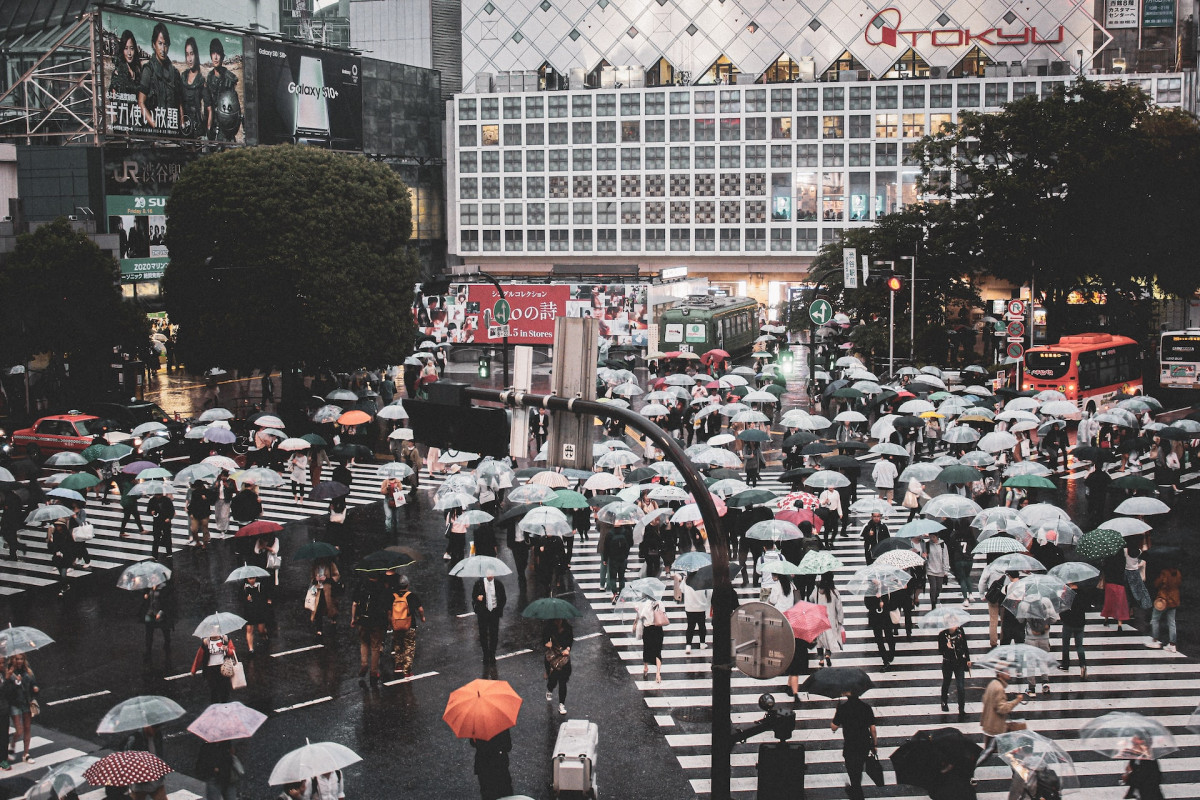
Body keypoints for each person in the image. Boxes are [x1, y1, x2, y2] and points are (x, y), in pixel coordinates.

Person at [137, 22, 184, 132]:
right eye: (160, 43)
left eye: (165, 44)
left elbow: (179, 102)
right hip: (154, 133)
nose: (163, 49)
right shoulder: (148, 70)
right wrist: (155, 125)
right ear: (154, 45)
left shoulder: (174, 73)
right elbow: (141, 103)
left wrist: (182, 123)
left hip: (172, 131)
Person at [831, 691, 877, 800]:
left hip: (850, 743)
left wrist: (837, 712)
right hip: (864, 743)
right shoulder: (866, 707)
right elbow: (873, 729)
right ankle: (855, 788)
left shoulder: (843, 708)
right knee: (859, 767)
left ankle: (856, 791)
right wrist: (874, 744)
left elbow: (833, 727)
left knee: (852, 769)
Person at [979, 666, 1025, 762]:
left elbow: (985, 700)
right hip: (996, 728)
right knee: (1008, 750)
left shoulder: (993, 684)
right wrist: (1017, 700)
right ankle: (1018, 772)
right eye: (1006, 672)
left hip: (989, 725)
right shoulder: (999, 688)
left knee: (989, 751)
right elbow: (1002, 709)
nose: (1009, 673)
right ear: (1000, 674)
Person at [351, 574, 389, 686]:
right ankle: (373, 672)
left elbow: (354, 603)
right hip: (377, 621)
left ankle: (364, 664)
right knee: (375, 646)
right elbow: (387, 608)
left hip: (363, 620)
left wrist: (353, 618)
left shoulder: (362, 585)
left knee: (364, 642)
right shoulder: (382, 587)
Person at [3, 655, 38, 764]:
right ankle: (12, 744)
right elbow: (5, 689)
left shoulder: (27, 671)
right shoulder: (9, 671)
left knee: (27, 728)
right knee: (19, 730)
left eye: (21, 659)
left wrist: (35, 688)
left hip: (26, 703)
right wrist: (14, 681)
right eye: (17, 659)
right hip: (15, 704)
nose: (19, 661)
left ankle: (26, 754)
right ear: (12, 659)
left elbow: (33, 683)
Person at [390, 574, 425, 678]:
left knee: (398, 644)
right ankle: (407, 670)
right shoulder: (411, 596)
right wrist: (422, 618)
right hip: (410, 624)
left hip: (396, 624)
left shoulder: (393, 596)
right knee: (409, 646)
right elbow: (420, 609)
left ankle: (398, 665)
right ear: (407, 585)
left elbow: (389, 611)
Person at [204, 38, 239, 141]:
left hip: (225, 128)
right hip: (212, 125)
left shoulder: (230, 79)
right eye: (213, 53)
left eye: (218, 53)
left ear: (222, 56)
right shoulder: (209, 78)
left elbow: (234, 107)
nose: (215, 57)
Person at [472, 570, 506, 665]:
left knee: (494, 634)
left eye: (492, 574)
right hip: (483, 612)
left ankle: (492, 654)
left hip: (494, 612)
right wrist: (478, 598)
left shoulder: (498, 584)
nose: (490, 576)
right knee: (483, 634)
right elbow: (473, 596)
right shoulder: (479, 584)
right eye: (488, 574)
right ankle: (485, 654)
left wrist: (499, 609)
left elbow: (503, 598)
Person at [190, 634, 234, 704]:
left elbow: (232, 652)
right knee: (214, 691)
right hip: (211, 670)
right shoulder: (206, 642)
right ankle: (215, 708)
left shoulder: (225, 639)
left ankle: (224, 707)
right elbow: (199, 657)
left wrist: (227, 649)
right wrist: (193, 670)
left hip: (223, 668)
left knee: (225, 691)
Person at [938, 623, 970, 719]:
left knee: (960, 686)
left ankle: (961, 709)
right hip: (948, 663)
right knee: (946, 682)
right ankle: (944, 701)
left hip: (959, 662)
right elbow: (940, 650)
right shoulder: (942, 635)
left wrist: (968, 659)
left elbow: (965, 645)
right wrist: (946, 647)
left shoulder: (960, 631)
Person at [141, 579, 176, 665]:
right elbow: (148, 600)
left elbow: (167, 603)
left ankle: (167, 648)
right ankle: (148, 649)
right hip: (151, 613)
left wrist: (161, 612)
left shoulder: (164, 588)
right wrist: (146, 595)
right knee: (148, 632)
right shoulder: (149, 587)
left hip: (161, 614)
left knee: (165, 631)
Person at [471, 728, 513, 800]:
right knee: (505, 792)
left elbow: (473, 743)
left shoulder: (476, 726)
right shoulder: (501, 724)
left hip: (483, 764)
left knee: (487, 792)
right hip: (499, 763)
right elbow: (508, 746)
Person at [812, 572, 844, 667]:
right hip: (831, 620)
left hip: (819, 620)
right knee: (829, 639)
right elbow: (839, 608)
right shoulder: (834, 592)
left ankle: (821, 659)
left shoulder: (817, 590)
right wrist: (840, 620)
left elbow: (811, 598)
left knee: (819, 641)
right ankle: (827, 655)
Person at [634, 592, 667, 683]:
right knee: (658, 651)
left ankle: (645, 667)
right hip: (658, 629)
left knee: (647, 649)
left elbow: (640, 615)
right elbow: (663, 613)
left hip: (648, 630)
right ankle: (658, 673)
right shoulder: (659, 603)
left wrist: (635, 622)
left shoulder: (644, 604)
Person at [543, 618, 573, 715]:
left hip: (564, 659)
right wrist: (547, 644)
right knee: (553, 680)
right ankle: (550, 688)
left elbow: (570, 640)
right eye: (556, 620)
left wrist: (568, 649)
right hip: (553, 658)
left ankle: (561, 704)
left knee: (563, 682)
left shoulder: (567, 628)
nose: (558, 621)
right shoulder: (548, 627)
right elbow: (544, 639)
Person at [1149, 565, 1180, 652]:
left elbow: (1157, 583)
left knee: (1155, 619)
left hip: (1163, 599)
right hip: (1174, 600)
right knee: (1172, 623)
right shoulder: (1177, 572)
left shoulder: (1164, 572)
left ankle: (1155, 640)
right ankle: (1172, 645)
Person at [179, 37, 206, 137]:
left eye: (192, 54)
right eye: (187, 55)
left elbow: (206, 107)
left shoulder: (201, 80)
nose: (189, 59)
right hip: (184, 126)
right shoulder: (183, 77)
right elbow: (180, 102)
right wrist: (182, 121)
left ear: (196, 55)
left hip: (197, 127)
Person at [309, 557, 340, 637]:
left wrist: (327, 579)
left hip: (328, 590)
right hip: (319, 590)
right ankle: (319, 629)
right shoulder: (315, 566)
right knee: (318, 609)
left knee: (331, 607)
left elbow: (336, 575)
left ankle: (333, 618)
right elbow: (312, 578)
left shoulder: (331, 565)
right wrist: (316, 579)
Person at [1100, 552, 1130, 631]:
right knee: (1120, 604)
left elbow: (1104, 569)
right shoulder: (1122, 559)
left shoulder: (1108, 558)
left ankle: (1106, 620)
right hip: (1120, 583)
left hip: (1109, 583)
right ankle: (1119, 624)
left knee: (1108, 602)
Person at [242, 576, 271, 655]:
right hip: (249, 611)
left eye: (253, 578)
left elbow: (265, 596)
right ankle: (251, 649)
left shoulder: (260, 585)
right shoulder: (244, 587)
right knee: (249, 629)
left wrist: (267, 601)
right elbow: (240, 598)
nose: (252, 580)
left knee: (261, 630)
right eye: (250, 579)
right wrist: (246, 599)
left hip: (259, 610)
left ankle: (265, 637)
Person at [865, 591, 895, 669]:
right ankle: (885, 660)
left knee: (889, 636)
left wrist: (884, 603)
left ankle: (891, 652)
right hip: (875, 618)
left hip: (885, 617)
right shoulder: (870, 590)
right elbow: (867, 604)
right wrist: (876, 601)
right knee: (879, 640)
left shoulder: (886, 589)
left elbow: (893, 604)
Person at [682, 581, 712, 655]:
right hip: (701, 607)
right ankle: (702, 643)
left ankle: (688, 646)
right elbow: (709, 592)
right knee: (702, 625)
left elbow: (682, 590)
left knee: (690, 626)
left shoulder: (686, 580)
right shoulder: (702, 579)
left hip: (690, 607)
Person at [110, 30, 142, 94]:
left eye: (132, 48)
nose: (129, 53)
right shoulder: (118, 72)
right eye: (126, 48)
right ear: (122, 50)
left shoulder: (138, 70)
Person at [147, 491, 175, 561]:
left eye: (159, 495)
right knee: (156, 538)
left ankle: (169, 553)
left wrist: (169, 518)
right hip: (157, 521)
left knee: (167, 536)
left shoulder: (167, 500)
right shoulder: (152, 500)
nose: (158, 496)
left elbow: (172, 511)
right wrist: (151, 512)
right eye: (157, 495)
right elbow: (148, 510)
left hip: (166, 521)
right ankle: (154, 555)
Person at [925, 532, 950, 608]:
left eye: (933, 537)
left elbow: (945, 557)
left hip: (940, 570)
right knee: (933, 587)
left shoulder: (942, 545)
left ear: (937, 537)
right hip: (930, 569)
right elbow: (924, 556)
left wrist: (946, 570)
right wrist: (925, 556)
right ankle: (933, 603)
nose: (932, 539)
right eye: (930, 537)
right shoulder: (927, 544)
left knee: (939, 587)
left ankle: (935, 598)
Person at [187, 480, 213, 549]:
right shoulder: (195, 493)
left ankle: (205, 543)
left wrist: (206, 499)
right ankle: (197, 542)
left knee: (205, 529)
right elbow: (192, 503)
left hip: (204, 513)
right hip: (196, 513)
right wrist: (191, 512)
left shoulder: (207, 492)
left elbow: (212, 501)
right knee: (194, 529)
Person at [817, 484, 842, 548]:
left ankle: (831, 541)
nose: (831, 487)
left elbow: (838, 503)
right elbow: (821, 503)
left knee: (836, 529)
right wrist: (825, 502)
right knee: (827, 528)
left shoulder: (836, 493)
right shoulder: (824, 493)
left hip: (834, 512)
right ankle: (826, 543)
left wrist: (840, 513)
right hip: (827, 512)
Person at [212, 471, 235, 536]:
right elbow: (211, 490)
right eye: (222, 476)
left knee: (224, 515)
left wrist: (227, 486)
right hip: (218, 500)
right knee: (218, 515)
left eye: (225, 476)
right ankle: (219, 526)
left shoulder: (230, 482)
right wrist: (215, 487)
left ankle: (223, 529)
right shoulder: (218, 482)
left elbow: (233, 490)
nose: (223, 477)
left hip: (226, 500)